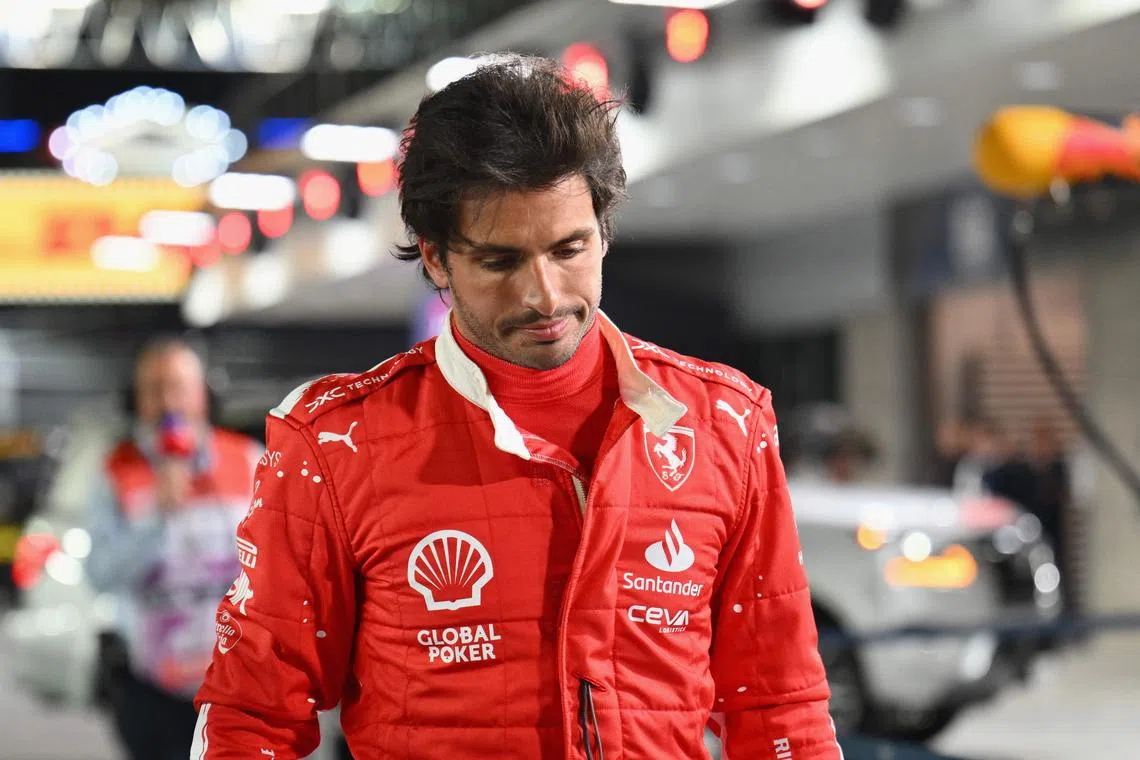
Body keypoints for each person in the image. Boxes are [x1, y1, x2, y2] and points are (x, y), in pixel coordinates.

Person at [193, 54, 840, 760]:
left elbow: (780, 705)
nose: (545, 295)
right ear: (437, 259)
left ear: (604, 231)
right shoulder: (337, 444)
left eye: (570, 248)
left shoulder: (725, 423)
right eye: (501, 262)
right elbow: (250, 713)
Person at [85, 338, 262, 760]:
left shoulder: (250, 460)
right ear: (136, 400)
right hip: (153, 694)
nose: (167, 400)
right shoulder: (116, 471)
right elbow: (100, 575)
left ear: (205, 394)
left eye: (178, 386)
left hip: (239, 688)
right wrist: (156, 517)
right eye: (154, 388)